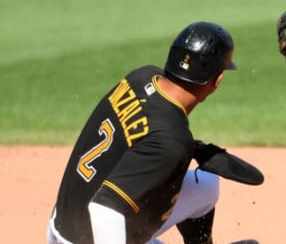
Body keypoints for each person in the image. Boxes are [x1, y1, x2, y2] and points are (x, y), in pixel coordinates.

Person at [48, 21, 238, 244]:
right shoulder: (172, 142)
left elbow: (144, 132)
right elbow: (104, 211)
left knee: (205, 187)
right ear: (217, 81)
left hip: (64, 219)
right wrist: (174, 148)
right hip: (87, 236)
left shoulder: (141, 77)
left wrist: (185, 148)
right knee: (114, 206)